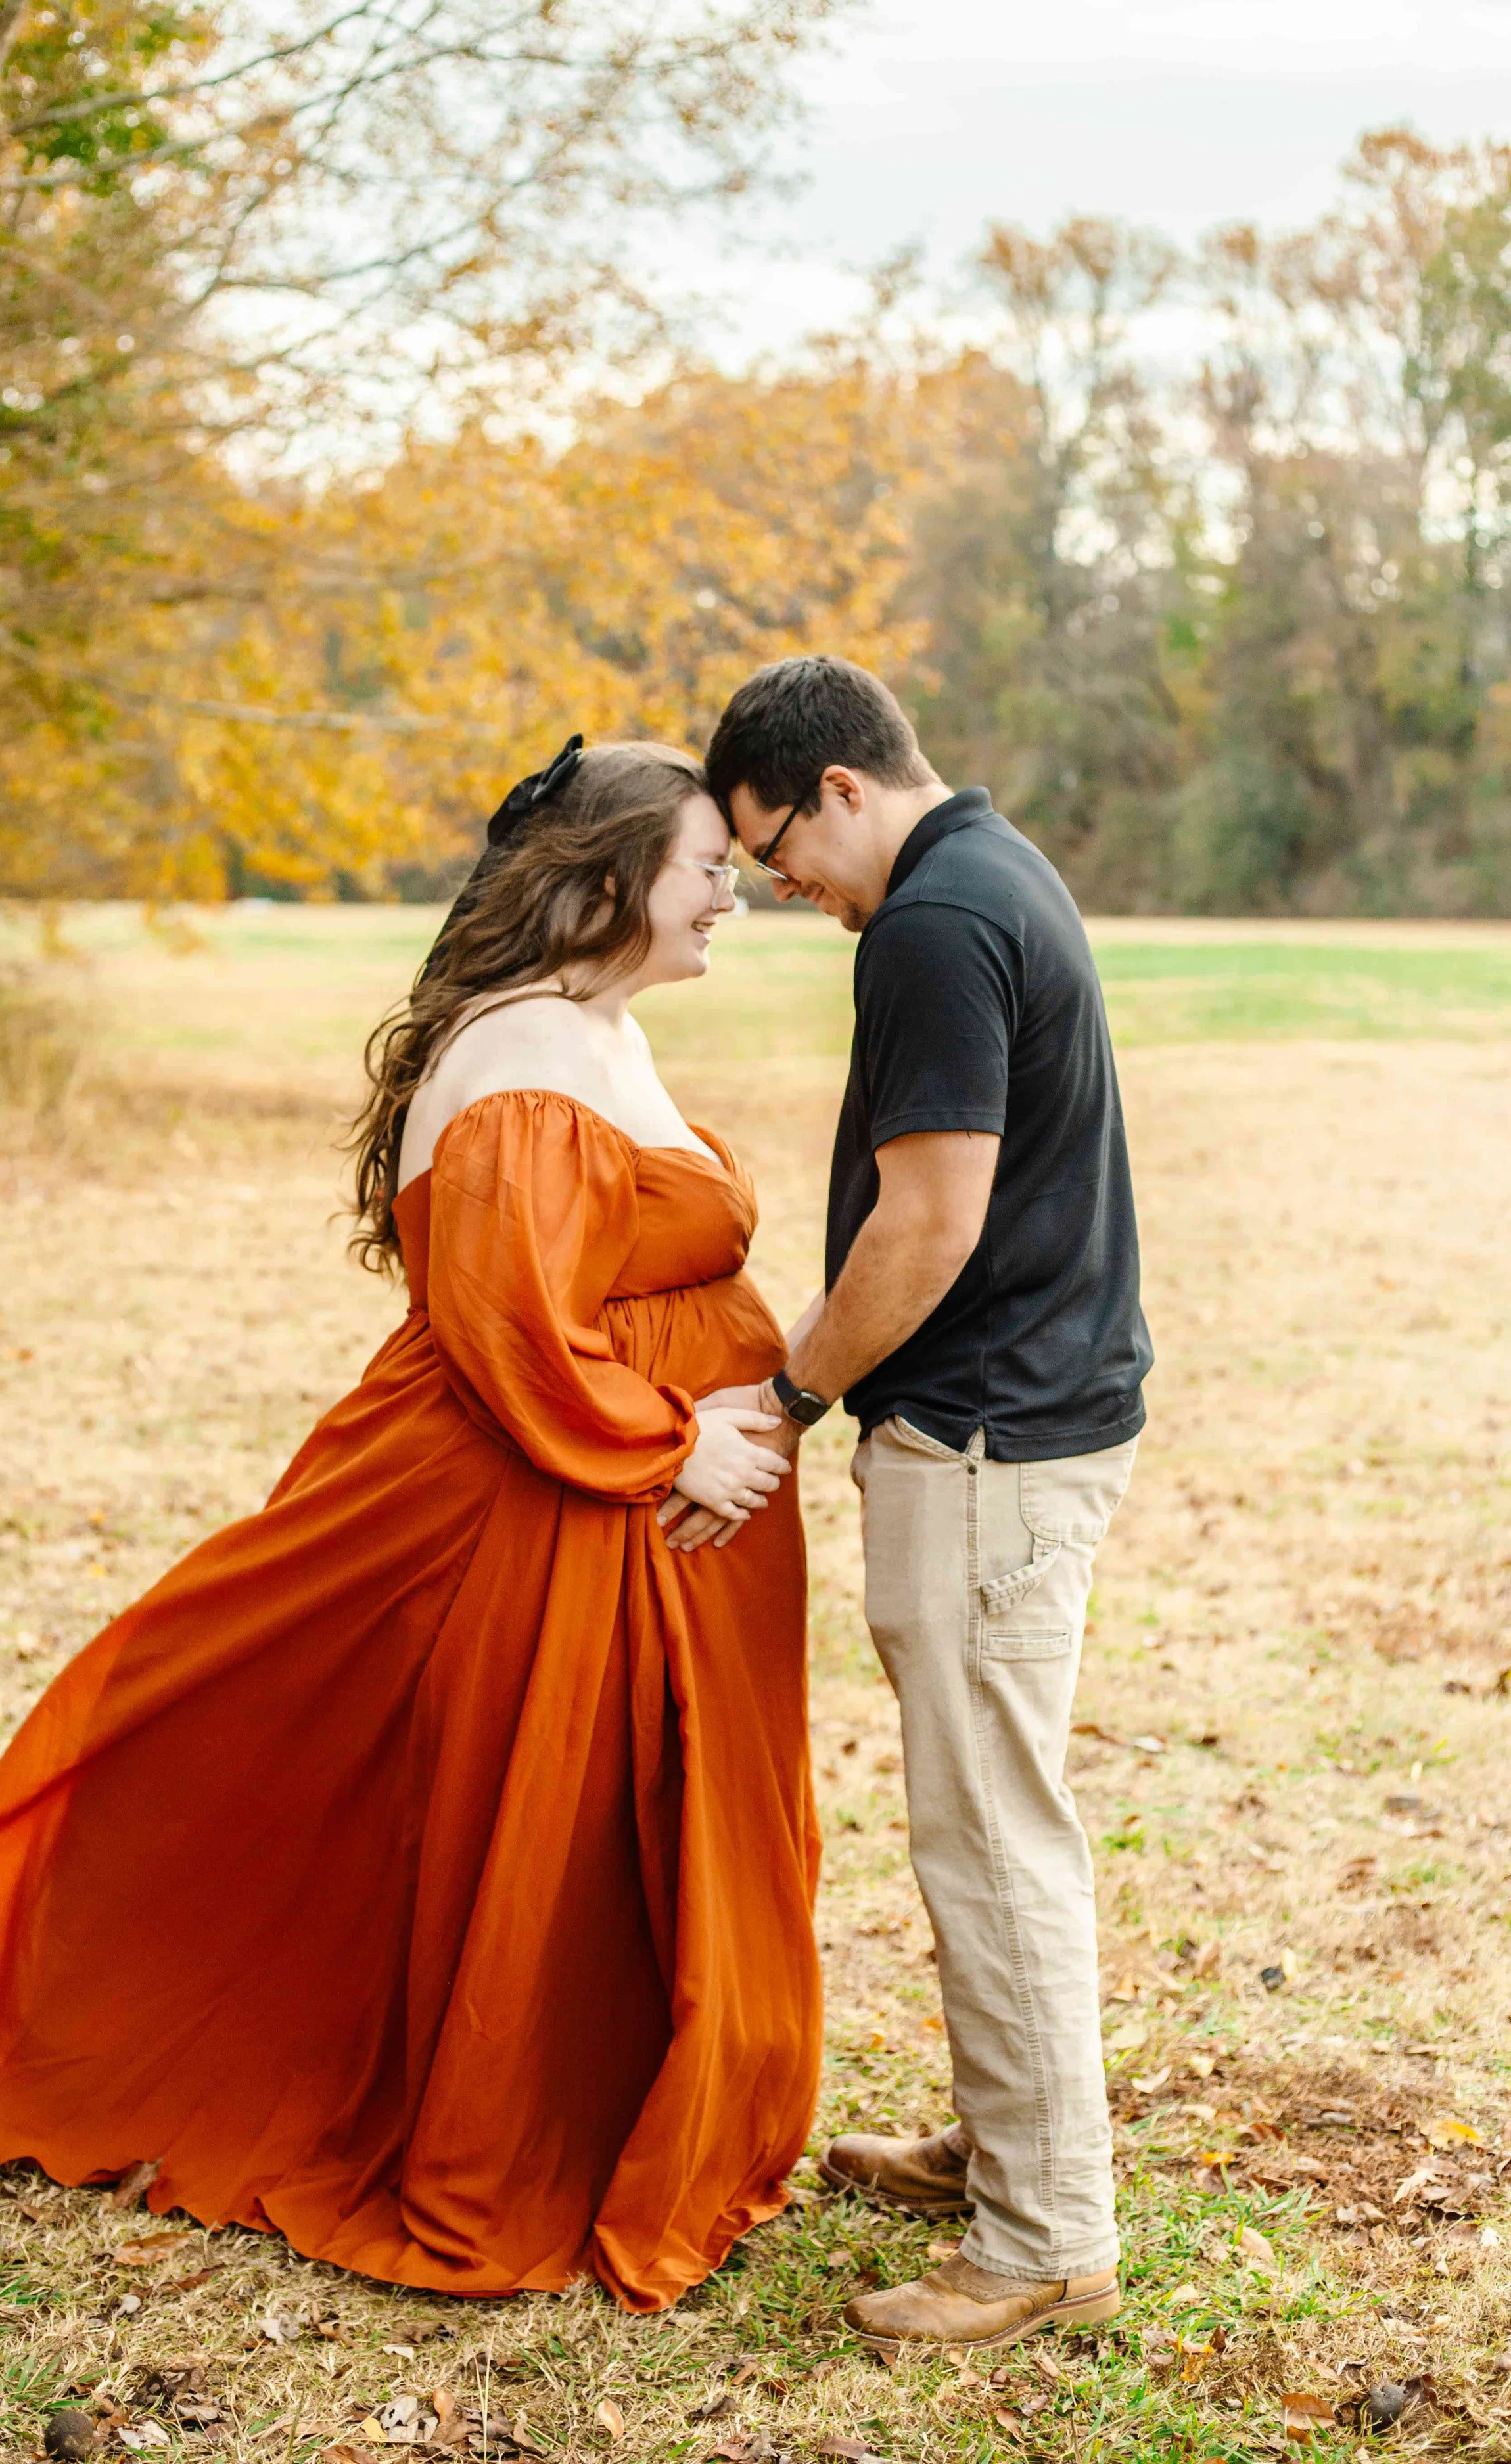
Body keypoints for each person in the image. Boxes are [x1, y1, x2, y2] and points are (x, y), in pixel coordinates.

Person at [0, 739, 821, 2316]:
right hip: (530, 1494)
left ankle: (603, 2097)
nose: (729, 888)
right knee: (484, 1802)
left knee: (553, 1810)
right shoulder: (525, 1056)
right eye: (702, 866)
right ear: (605, 882)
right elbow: (509, 1327)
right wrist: (673, 1443)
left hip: (607, 1495)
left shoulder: (590, 1028)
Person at [696, 656, 1154, 2355]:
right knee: (986, 1807)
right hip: (1025, 1418)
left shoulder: (930, 924)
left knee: (987, 1829)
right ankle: (1007, 2141)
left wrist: (793, 1391)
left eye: (772, 852)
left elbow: (926, 1223)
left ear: (832, 789)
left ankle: (1041, 2233)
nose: (782, 893)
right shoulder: (990, 862)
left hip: (983, 1438)